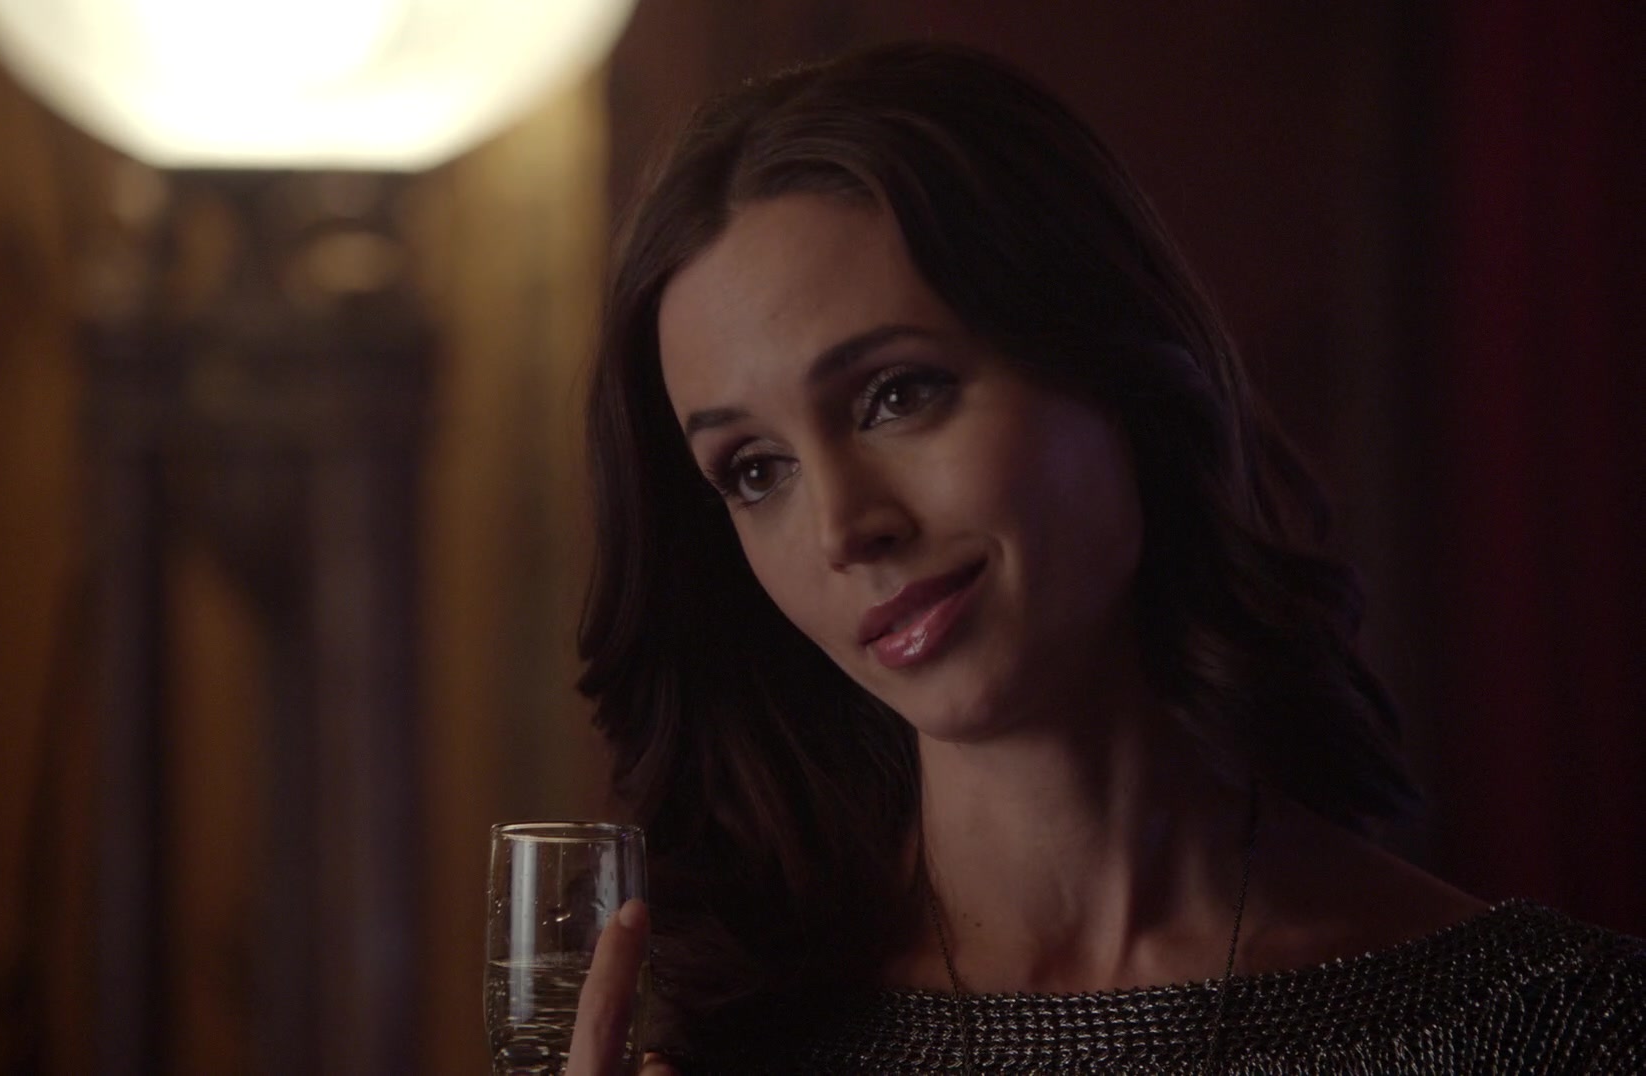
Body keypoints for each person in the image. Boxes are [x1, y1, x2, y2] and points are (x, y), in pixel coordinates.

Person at [560, 41, 1643, 1074]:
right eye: (755, 470)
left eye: (897, 394)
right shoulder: (719, 1047)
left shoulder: (1554, 1030)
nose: (844, 527)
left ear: (1112, 365)